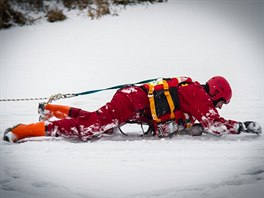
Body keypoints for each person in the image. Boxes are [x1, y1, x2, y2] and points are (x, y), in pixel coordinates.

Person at [3, 76, 261, 143]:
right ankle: (25, 131)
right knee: (89, 129)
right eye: (221, 103)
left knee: (98, 122)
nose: (218, 108)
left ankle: (51, 110)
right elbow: (214, 125)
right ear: (215, 94)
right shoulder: (199, 95)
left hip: (136, 103)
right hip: (132, 102)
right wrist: (240, 126)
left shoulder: (192, 92)